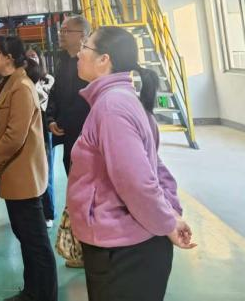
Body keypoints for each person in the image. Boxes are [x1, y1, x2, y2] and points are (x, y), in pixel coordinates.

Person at [67, 26, 196, 301]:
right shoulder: (120, 101)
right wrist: (170, 215)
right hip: (127, 245)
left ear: (104, 59)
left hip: (124, 253)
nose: (79, 54)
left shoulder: (112, 107)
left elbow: (137, 182)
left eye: (85, 47)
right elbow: (155, 167)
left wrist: (167, 222)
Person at [0, 36, 58, 301]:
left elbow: (15, 136)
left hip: (24, 176)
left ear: (9, 58)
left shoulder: (22, 87)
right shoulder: (6, 83)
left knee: (35, 241)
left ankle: (45, 294)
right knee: (26, 237)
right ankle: (32, 291)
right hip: (14, 174)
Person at [47, 14, 90, 175]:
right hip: (68, 134)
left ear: (82, 35)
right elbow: (55, 92)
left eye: (67, 31)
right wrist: (51, 119)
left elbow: (84, 100)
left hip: (85, 135)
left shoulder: (90, 64)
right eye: (61, 31)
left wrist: (62, 121)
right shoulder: (63, 61)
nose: (61, 34)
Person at [25, 50, 55, 228]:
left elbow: (43, 99)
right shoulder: (22, 80)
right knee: (32, 171)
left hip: (45, 127)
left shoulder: (48, 79)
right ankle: (35, 211)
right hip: (29, 129)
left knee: (47, 170)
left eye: (34, 56)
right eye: (28, 56)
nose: (31, 59)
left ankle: (48, 212)